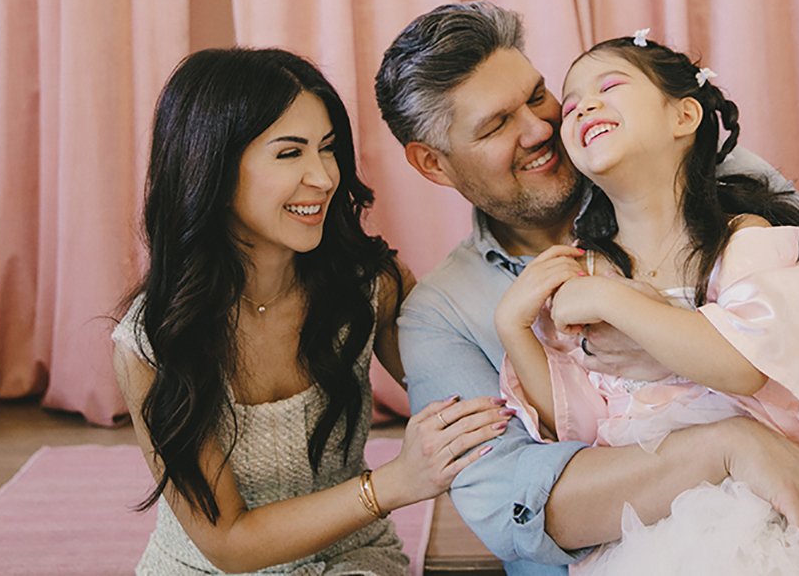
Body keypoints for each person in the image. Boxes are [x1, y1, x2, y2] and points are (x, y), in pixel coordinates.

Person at [375, 1, 799, 574]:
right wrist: (726, 447)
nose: (541, 129)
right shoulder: (440, 314)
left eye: (539, 96)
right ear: (433, 164)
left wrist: (672, 339)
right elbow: (513, 506)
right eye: (496, 125)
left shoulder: (694, 167)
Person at [112, 48, 508, 575]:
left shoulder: (371, 288)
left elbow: (479, 393)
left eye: (327, 149)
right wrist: (395, 482)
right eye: (289, 154)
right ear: (212, 168)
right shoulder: (152, 341)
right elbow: (228, 542)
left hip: (349, 560)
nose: (323, 178)